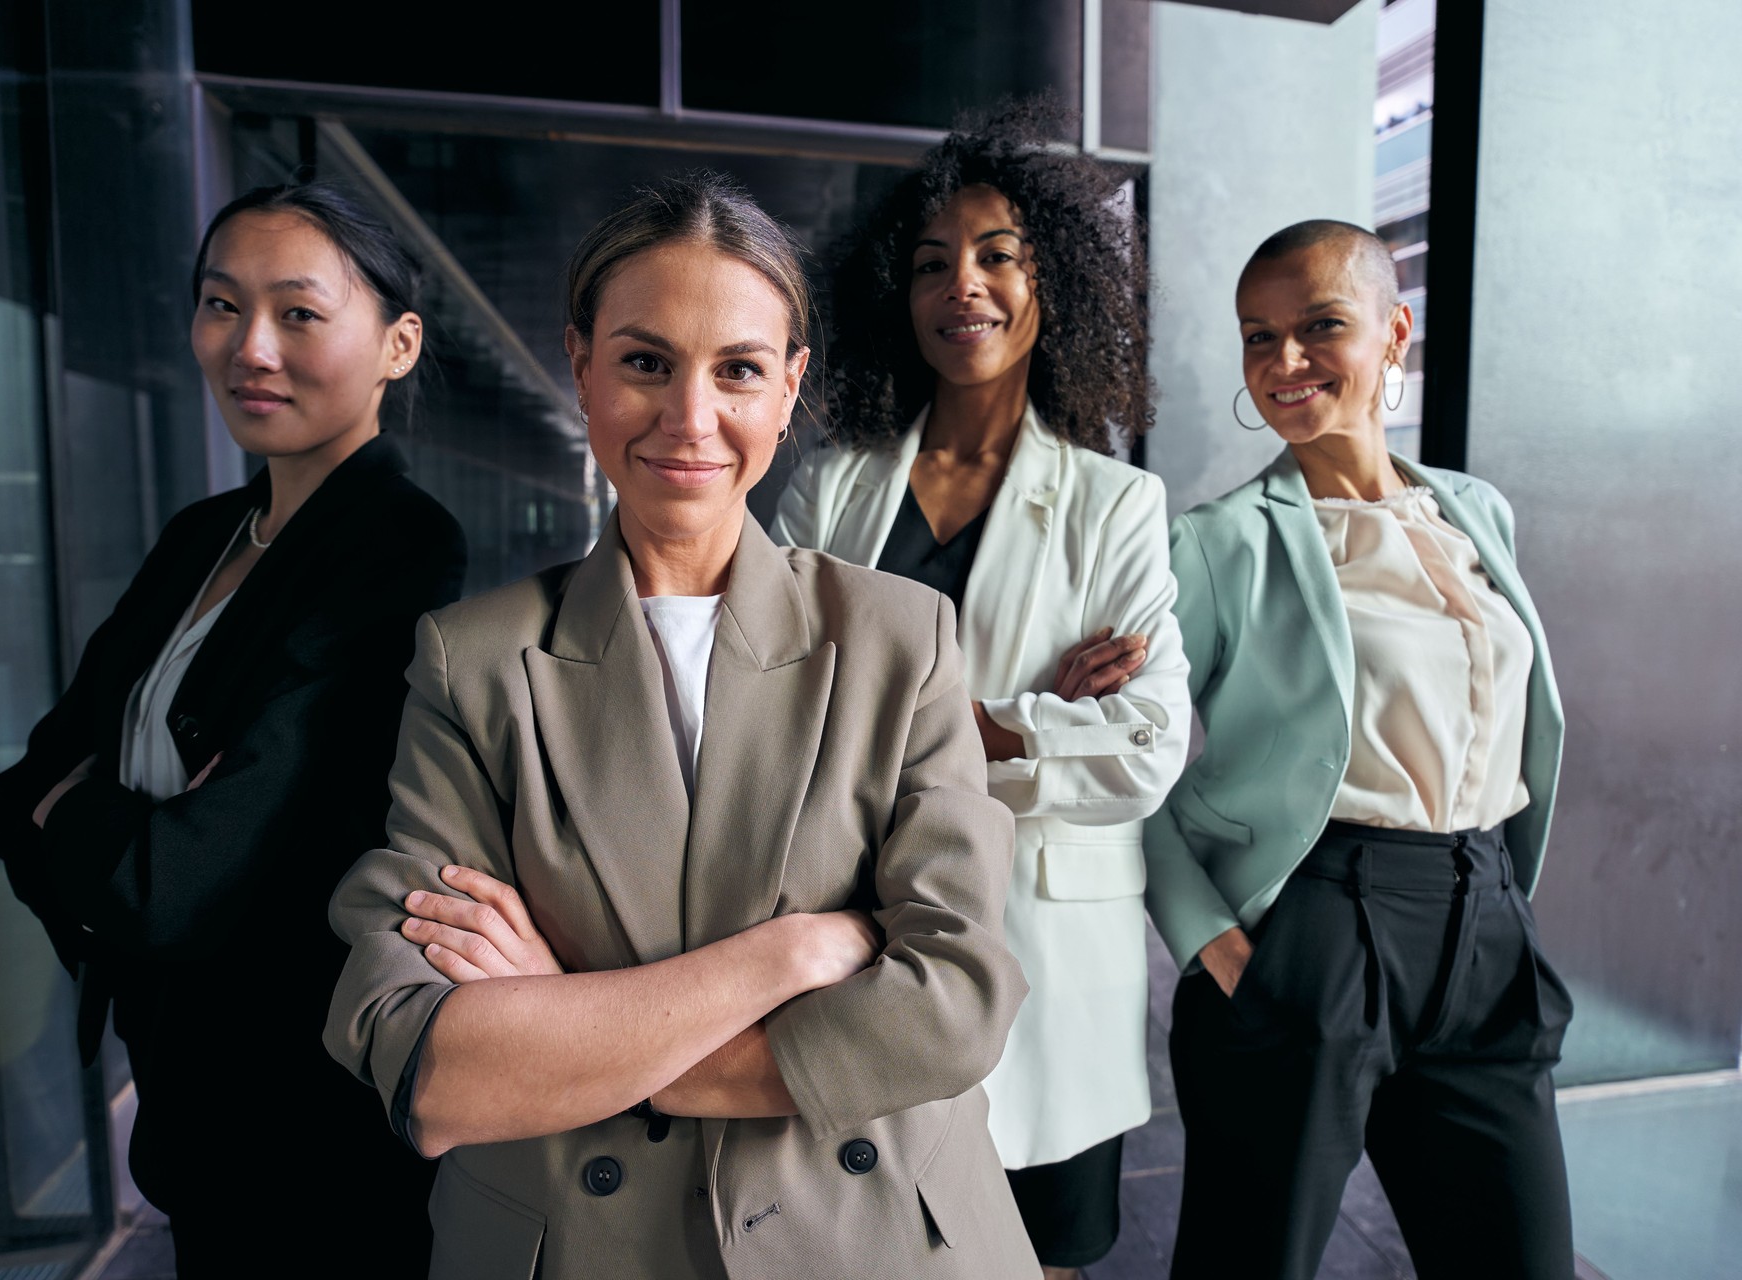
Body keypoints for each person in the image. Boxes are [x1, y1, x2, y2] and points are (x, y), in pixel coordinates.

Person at [324, 172, 1039, 1280]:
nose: (689, 418)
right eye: (646, 362)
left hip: (875, 1238)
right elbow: (436, 1070)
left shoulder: (903, 638)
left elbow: (953, 1007)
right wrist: (793, 950)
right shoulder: (472, 663)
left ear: (790, 384)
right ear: (581, 365)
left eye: (740, 370)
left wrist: (576, 1029)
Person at [0, 182, 466, 1275]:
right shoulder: (204, 532)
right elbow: (21, 795)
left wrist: (98, 821)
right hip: (180, 1083)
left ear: (397, 344)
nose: (249, 346)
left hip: (302, 1111)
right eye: (220, 303)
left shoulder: (397, 546)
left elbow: (182, 879)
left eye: (298, 312)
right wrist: (123, 844)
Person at [769, 105, 1190, 1278]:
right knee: (865, 1242)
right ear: (895, 296)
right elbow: (781, 709)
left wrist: (944, 721)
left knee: (1037, 1254)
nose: (966, 285)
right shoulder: (835, 492)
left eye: (999, 252)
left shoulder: (1116, 505)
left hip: (1048, 960)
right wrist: (1029, 714)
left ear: (1054, 278)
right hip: (859, 930)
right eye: (932, 262)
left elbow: (1148, 749)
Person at [1146, 219, 1573, 1280]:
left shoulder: (1475, 512)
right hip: (1320, 925)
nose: (1284, 362)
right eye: (1258, 337)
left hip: (1482, 920)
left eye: (1318, 327)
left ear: (1395, 330)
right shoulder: (1214, 542)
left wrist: (1502, 911)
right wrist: (1211, 938)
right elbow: (1123, 767)